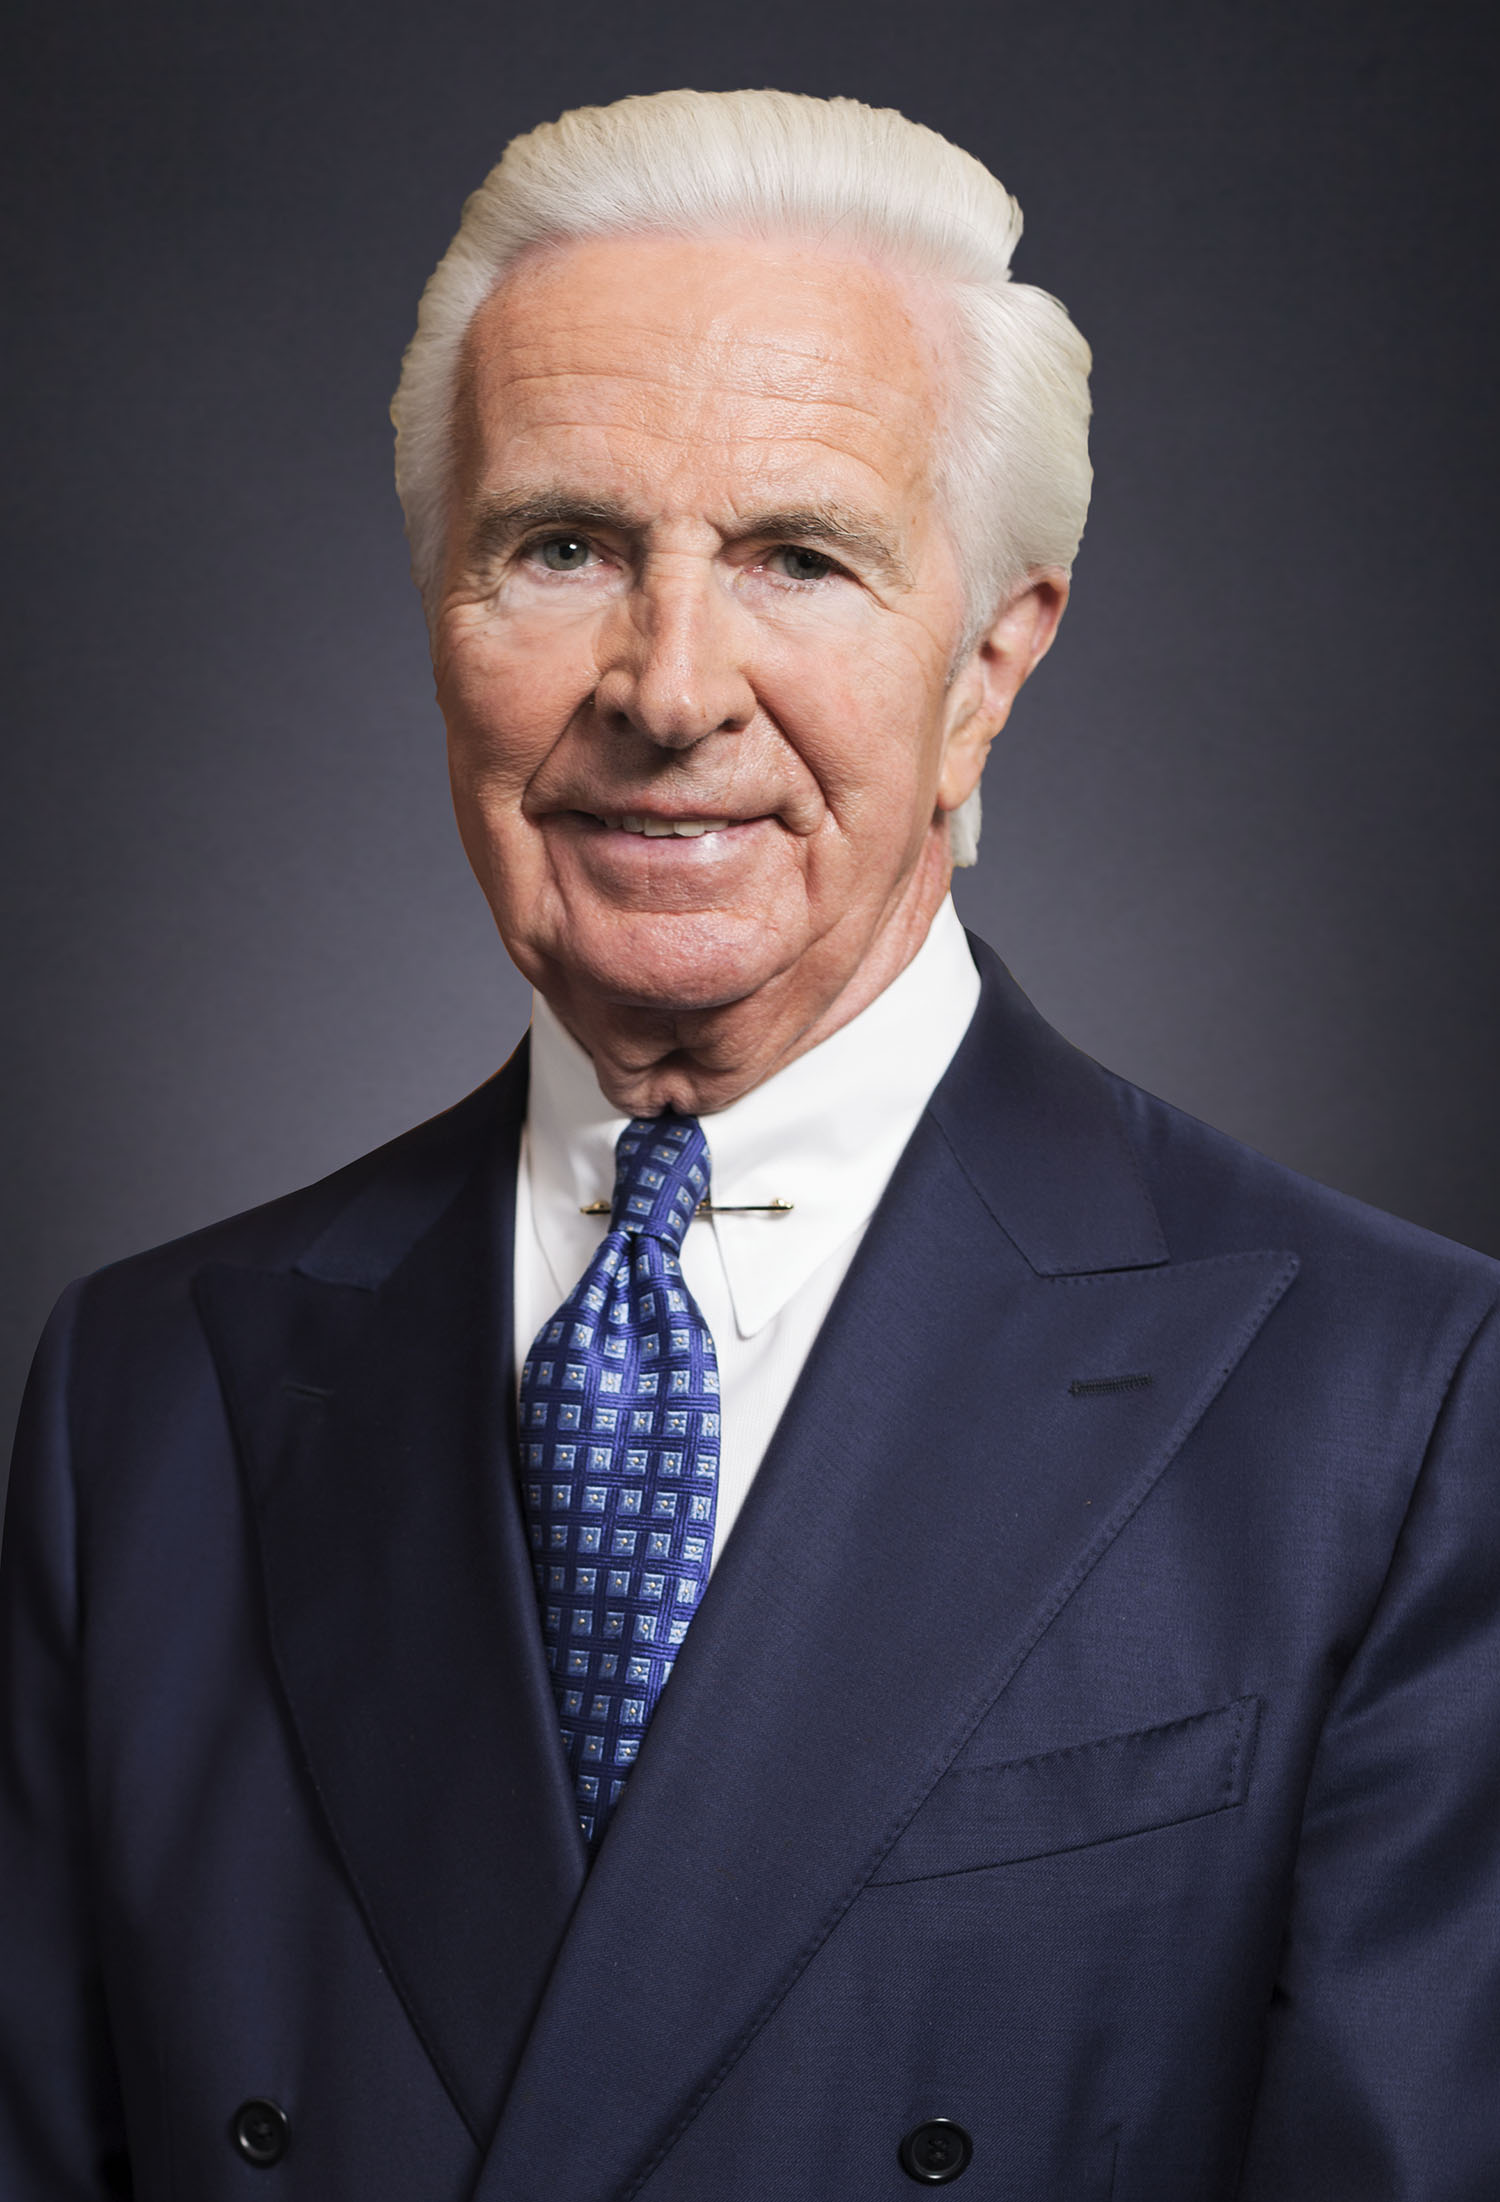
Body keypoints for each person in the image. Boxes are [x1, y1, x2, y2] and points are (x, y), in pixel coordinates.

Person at [3, 86, 1498, 2202]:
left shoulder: (1399, 1409)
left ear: (988, 665)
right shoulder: (138, 1399)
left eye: (798, 557)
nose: (670, 686)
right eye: (562, 548)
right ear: (436, 613)